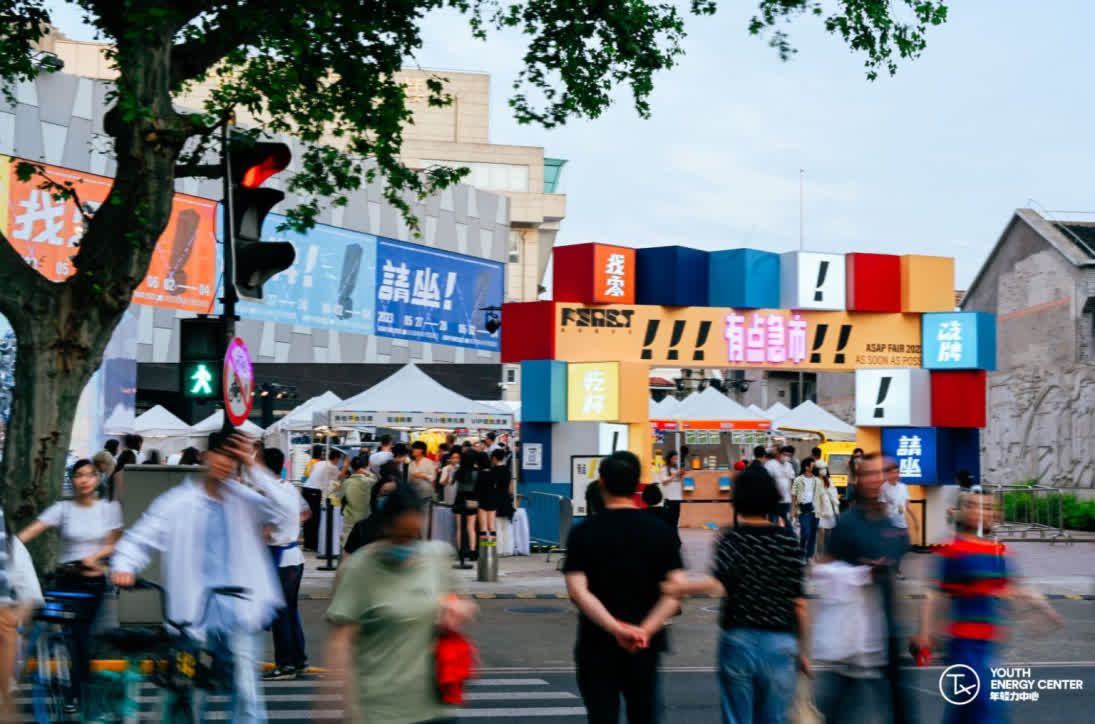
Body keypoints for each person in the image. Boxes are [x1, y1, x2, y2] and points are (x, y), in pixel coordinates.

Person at [112, 430, 296, 723]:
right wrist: (124, 566)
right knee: (190, 692)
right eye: (220, 455)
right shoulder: (178, 502)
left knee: (246, 693)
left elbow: (287, 513)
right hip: (194, 614)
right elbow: (140, 537)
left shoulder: (246, 500)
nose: (225, 463)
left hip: (241, 609)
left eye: (233, 458)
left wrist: (253, 467)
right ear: (206, 456)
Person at [663, 466, 807, 724]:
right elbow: (799, 603)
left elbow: (719, 583)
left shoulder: (731, 537)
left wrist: (680, 587)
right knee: (773, 718)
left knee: (737, 718)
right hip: (780, 642)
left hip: (738, 639)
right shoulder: (787, 540)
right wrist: (803, 651)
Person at [325, 484, 477, 723]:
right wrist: (340, 706)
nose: (406, 544)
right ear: (385, 528)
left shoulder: (437, 556)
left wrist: (458, 610)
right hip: (382, 710)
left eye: (412, 535)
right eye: (400, 536)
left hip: (436, 708)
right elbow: (340, 643)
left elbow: (465, 603)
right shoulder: (360, 567)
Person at [912, 489, 1062, 724]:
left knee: (966, 709)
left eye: (988, 507)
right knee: (986, 705)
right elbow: (933, 594)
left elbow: (1016, 587)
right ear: (961, 512)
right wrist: (924, 634)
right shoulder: (953, 550)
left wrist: (1046, 611)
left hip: (990, 644)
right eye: (973, 505)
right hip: (964, 644)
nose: (981, 512)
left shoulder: (998, 552)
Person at [563, 451, 686, 724]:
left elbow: (577, 591)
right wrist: (644, 630)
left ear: (602, 482)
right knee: (643, 714)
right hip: (645, 646)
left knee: (602, 715)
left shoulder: (584, 532)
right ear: (637, 485)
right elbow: (676, 589)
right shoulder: (661, 531)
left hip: (597, 642)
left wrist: (616, 629)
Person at [18, 458, 123, 712]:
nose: (84, 480)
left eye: (89, 475)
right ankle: (55, 682)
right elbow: (31, 531)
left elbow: (114, 543)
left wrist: (94, 557)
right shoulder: (63, 509)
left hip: (94, 583)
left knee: (84, 641)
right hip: (67, 580)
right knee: (66, 633)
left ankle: (79, 693)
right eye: (78, 475)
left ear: (97, 479)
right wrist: (9, 546)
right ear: (72, 480)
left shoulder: (109, 509)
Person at [815, 453, 911, 724]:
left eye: (880, 473)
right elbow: (822, 567)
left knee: (900, 707)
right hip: (852, 632)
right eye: (869, 473)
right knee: (840, 708)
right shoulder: (847, 523)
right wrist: (857, 574)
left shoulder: (892, 523)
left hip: (887, 628)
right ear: (858, 479)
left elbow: (899, 559)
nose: (875, 479)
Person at [262, 447, 312, 681]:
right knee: (290, 612)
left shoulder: (270, 493)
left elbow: (265, 529)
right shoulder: (289, 488)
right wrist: (291, 526)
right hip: (294, 556)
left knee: (280, 614)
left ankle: (285, 665)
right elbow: (307, 513)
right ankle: (299, 660)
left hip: (280, 557)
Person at [880, 458, 919, 578]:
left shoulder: (903, 487)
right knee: (893, 547)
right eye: (893, 472)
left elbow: (907, 505)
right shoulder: (884, 487)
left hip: (902, 523)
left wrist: (915, 520)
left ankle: (890, 565)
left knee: (905, 546)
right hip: (890, 522)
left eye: (897, 472)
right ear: (888, 474)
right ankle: (895, 570)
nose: (896, 475)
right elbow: (882, 506)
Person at [343, 476, 399, 555]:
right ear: (375, 497)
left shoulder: (408, 528)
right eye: (384, 494)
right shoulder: (361, 528)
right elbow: (347, 558)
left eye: (394, 495)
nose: (389, 499)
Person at [302, 448, 343, 552]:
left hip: (306, 489)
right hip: (315, 492)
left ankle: (307, 544)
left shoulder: (319, 463)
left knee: (308, 518)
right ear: (336, 459)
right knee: (315, 519)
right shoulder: (333, 467)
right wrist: (346, 465)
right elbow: (340, 478)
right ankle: (313, 545)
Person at [339, 456, 377, 549]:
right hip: (365, 515)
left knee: (346, 542)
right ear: (364, 468)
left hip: (350, 517)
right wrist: (366, 472)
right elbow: (375, 478)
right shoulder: (369, 481)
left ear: (352, 468)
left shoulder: (347, 482)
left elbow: (339, 498)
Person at [476, 448, 511, 547]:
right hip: (497, 501)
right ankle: (493, 548)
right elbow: (509, 487)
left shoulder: (487, 472)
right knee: (492, 527)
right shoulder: (506, 470)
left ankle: (485, 548)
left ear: (494, 458)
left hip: (484, 501)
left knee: (483, 527)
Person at [791, 457, 820, 560]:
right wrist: (792, 510)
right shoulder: (798, 480)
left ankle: (809, 556)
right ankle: (802, 549)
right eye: (813, 466)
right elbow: (794, 495)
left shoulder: (817, 480)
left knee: (813, 534)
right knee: (805, 533)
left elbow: (821, 495)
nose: (815, 468)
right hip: (803, 510)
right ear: (806, 467)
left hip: (815, 511)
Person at [453, 452, 481, 559]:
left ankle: (460, 551)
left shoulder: (458, 472)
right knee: (471, 527)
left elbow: (453, 483)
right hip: (472, 499)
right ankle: (473, 551)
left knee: (459, 527)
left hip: (459, 498)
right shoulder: (477, 472)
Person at [814, 464, 840, 556]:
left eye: (824, 469)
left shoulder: (829, 480)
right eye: (821, 469)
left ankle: (828, 553)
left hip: (829, 509)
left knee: (828, 534)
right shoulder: (814, 480)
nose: (823, 470)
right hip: (818, 509)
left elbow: (834, 495)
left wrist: (836, 509)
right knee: (820, 533)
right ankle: (819, 554)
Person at [764, 447, 793, 528]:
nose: (786, 457)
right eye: (785, 455)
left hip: (787, 500)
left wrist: (791, 495)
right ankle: (774, 535)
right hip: (774, 500)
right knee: (774, 521)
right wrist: (777, 492)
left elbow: (790, 480)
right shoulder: (770, 464)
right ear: (779, 454)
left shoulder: (789, 465)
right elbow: (769, 481)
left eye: (788, 456)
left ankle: (789, 535)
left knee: (787, 522)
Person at [659, 451, 683, 529]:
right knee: (669, 519)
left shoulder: (675, 468)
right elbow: (664, 481)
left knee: (676, 519)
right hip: (669, 497)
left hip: (677, 497)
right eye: (674, 458)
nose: (675, 460)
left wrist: (681, 475)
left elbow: (677, 481)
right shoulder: (664, 468)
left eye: (676, 459)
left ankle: (674, 533)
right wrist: (675, 474)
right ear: (669, 459)